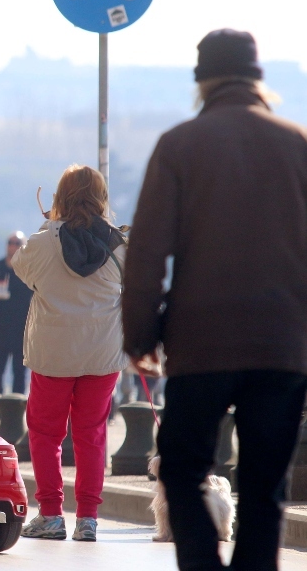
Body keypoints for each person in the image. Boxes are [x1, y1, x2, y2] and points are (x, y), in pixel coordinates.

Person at [123, 29, 307, 571]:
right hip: (282, 346)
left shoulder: (180, 145)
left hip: (201, 343)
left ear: (201, 81)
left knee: (181, 470)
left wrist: (140, 336)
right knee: (265, 489)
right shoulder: (298, 145)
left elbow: (147, 256)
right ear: (258, 79)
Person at [11, 164, 128, 543]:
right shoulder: (120, 246)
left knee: (45, 434)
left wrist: (49, 225)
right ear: (101, 198)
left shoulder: (43, 242)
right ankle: (88, 519)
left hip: (53, 353)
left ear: (58, 199)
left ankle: (50, 515)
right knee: (91, 434)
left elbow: (23, 271)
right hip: (103, 353)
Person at [0, 233, 34, 394]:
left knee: (19, 371)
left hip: (21, 327)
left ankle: (15, 408)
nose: (13, 246)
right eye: (10, 242)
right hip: (0, 326)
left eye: (17, 243)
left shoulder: (29, 269)